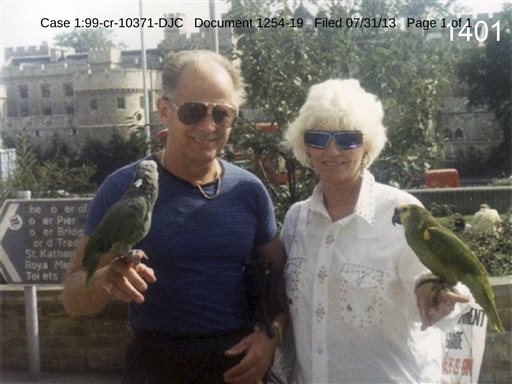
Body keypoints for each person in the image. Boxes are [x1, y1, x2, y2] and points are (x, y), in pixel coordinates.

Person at [63, 49, 287, 384]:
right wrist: (106, 279)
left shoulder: (250, 191)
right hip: (158, 367)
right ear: (164, 110)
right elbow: (72, 297)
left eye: (222, 114)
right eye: (194, 111)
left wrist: (272, 335)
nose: (208, 126)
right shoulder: (124, 188)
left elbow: (282, 281)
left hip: (237, 366)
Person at [279, 79, 471, 383]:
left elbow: (445, 281)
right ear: (305, 146)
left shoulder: (400, 211)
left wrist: (432, 290)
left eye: (347, 139)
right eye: (318, 138)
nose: (331, 150)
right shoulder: (296, 220)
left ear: (367, 143)